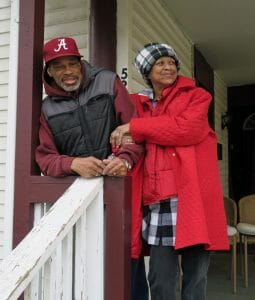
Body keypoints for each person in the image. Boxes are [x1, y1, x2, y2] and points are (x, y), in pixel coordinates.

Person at [110, 42, 229, 300]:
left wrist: (138, 128)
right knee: (161, 279)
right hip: (157, 202)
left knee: (195, 277)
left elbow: (187, 129)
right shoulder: (136, 103)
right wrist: (136, 130)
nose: (169, 67)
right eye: (160, 63)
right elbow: (125, 137)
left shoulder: (196, 96)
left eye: (172, 62)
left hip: (192, 199)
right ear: (147, 71)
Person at [35, 37, 148, 299]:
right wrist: (73, 163)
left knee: (128, 265)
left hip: (119, 194)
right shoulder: (47, 108)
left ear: (81, 62)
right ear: (49, 71)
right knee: (85, 270)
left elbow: (134, 130)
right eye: (59, 66)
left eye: (72, 63)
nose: (68, 72)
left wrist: (124, 160)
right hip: (78, 203)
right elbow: (45, 158)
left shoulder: (108, 81)